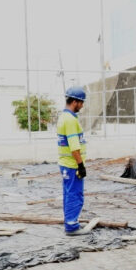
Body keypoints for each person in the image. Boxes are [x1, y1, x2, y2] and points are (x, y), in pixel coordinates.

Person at [56, 86, 88, 236]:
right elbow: (74, 147)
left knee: (69, 194)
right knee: (75, 195)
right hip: (72, 165)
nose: (82, 106)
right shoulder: (70, 120)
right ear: (75, 102)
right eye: (81, 102)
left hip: (65, 165)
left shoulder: (64, 117)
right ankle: (71, 226)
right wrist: (81, 165)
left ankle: (70, 222)